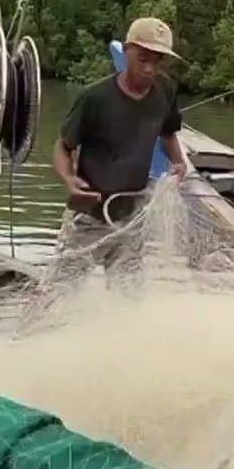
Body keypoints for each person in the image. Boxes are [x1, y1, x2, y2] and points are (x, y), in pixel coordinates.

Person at [53, 17, 188, 277]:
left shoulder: (166, 90)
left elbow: (168, 132)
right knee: (63, 288)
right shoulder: (95, 97)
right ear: (127, 51)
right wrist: (69, 179)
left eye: (157, 61)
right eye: (143, 58)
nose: (149, 69)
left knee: (127, 293)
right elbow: (63, 146)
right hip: (90, 213)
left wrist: (179, 162)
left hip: (133, 214)